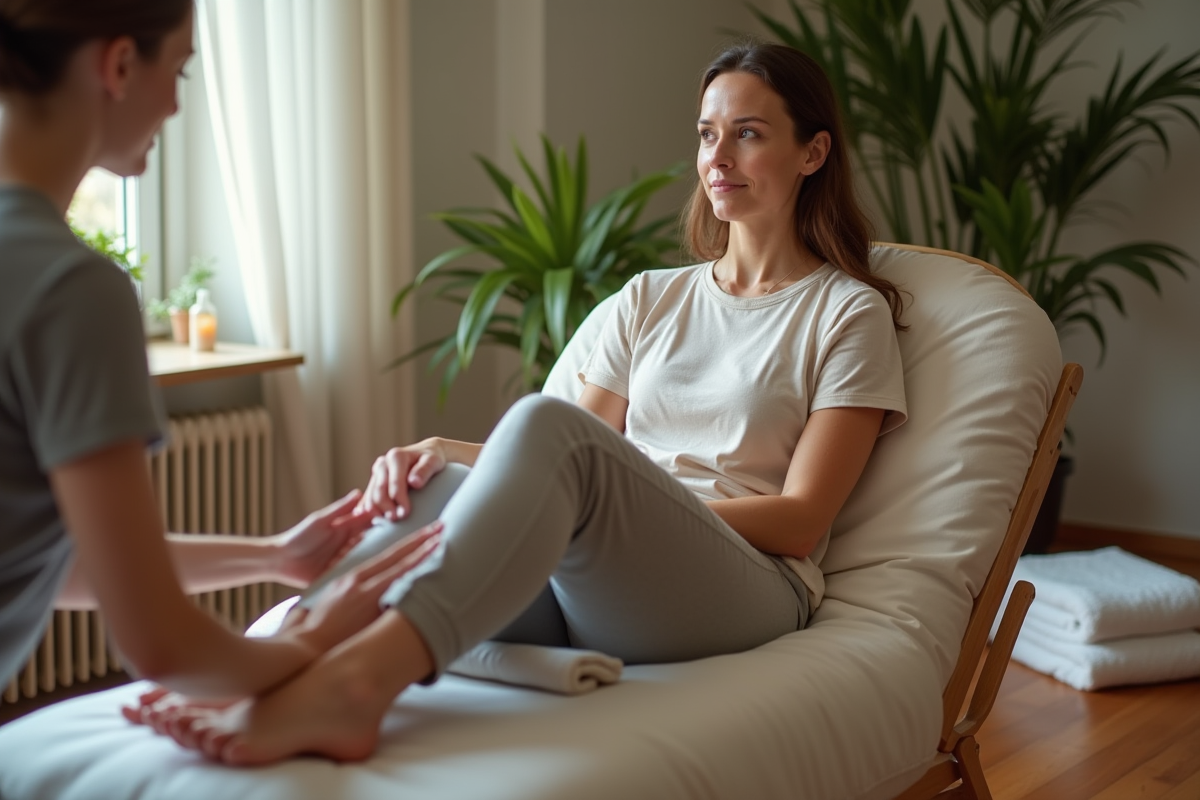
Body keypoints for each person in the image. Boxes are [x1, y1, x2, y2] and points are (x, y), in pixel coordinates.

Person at [131, 40, 909, 764]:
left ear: (813, 151)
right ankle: (278, 660)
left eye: (747, 134)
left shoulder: (847, 313)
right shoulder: (651, 299)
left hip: (745, 582)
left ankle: (356, 686)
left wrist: (643, 508)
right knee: (436, 484)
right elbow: (575, 460)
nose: (718, 158)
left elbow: (803, 518)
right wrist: (445, 452)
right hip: (607, 575)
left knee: (542, 423)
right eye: (707, 135)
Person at [0, 0, 442, 700]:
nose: (176, 106)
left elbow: (42, 560)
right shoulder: (69, 286)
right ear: (117, 64)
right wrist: (320, 636)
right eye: (178, 70)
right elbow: (166, 648)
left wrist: (272, 557)